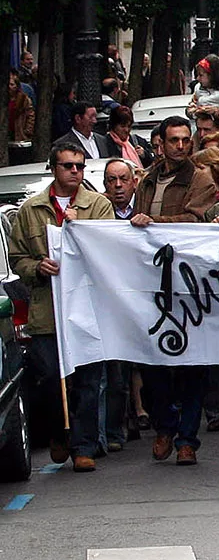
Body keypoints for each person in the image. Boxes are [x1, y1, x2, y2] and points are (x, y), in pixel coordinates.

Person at [9, 139, 115, 471]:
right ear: (54, 168)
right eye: (68, 165)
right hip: (47, 311)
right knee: (50, 378)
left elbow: (109, 249)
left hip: (86, 309)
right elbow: (17, 258)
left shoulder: (97, 205)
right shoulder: (31, 210)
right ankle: (59, 432)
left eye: (80, 166)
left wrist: (76, 229)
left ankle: (83, 445)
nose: (75, 171)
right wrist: (36, 267)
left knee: (86, 379)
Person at [131, 116, 218, 466]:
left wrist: (154, 225)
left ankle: (187, 438)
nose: (180, 146)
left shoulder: (200, 179)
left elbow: (195, 222)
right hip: (152, 282)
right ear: (161, 144)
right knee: (153, 362)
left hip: (189, 283)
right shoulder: (148, 180)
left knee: (192, 366)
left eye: (186, 140)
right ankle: (165, 424)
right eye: (174, 141)